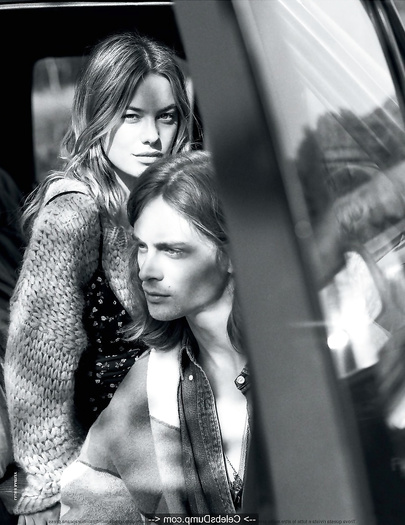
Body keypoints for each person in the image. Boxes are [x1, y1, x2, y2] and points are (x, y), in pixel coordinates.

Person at [3, 31, 193, 523]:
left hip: (170, 454)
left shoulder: (178, 204)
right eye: (131, 116)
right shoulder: (74, 213)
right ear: (98, 116)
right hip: (97, 474)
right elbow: (39, 358)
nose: (152, 136)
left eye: (166, 116)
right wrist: (46, 490)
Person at [58, 150, 250, 522]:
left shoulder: (305, 364)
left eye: (172, 250)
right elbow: (89, 499)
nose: (147, 269)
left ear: (231, 255)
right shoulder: (147, 385)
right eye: (142, 247)